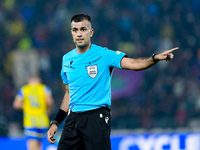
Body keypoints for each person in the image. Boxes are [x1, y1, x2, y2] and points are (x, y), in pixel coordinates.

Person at [47, 13, 179, 150]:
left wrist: (155, 58)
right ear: (71, 33)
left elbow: (134, 64)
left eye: (83, 29)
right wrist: (56, 122)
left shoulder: (104, 54)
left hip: (96, 117)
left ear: (91, 32)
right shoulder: (67, 59)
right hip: (73, 119)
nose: (79, 34)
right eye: (75, 30)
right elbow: (68, 93)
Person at [13, 75, 54, 150]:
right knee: (39, 146)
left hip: (30, 122)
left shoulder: (25, 89)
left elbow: (16, 104)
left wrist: (26, 106)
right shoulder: (44, 88)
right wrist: (49, 110)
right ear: (39, 80)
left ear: (29, 80)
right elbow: (50, 101)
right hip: (42, 121)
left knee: (32, 146)